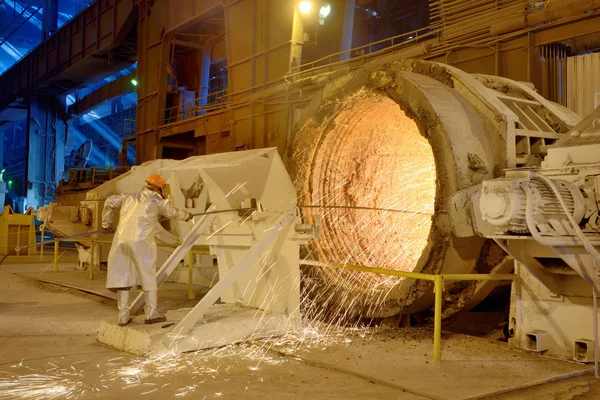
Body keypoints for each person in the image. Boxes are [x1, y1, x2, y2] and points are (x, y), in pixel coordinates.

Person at [102, 174, 192, 326]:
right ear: (158, 188)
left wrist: (106, 223)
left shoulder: (129, 196)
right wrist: (187, 215)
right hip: (141, 243)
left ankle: (123, 316)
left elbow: (109, 201)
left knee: (123, 277)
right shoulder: (157, 201)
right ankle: (151, 313)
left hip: (121, 241)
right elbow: (173, 213)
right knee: (147, 276)